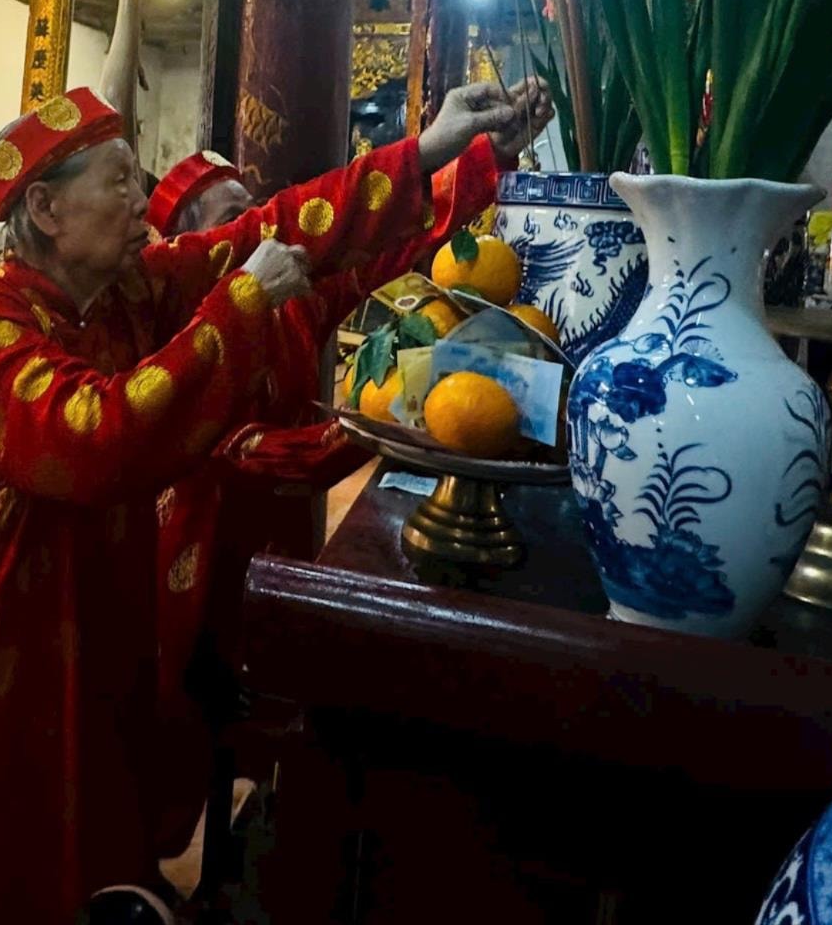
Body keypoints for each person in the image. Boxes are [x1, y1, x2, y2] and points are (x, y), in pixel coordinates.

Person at [0, 82, 530, 924]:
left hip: (93, 622)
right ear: (46, 210)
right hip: (0, 639)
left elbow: (269, 228)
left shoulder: (125, 289)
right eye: (119, 182)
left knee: (95, 837)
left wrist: (438, 152)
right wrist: (241, 306)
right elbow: (97, 439)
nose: (140, 201)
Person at [142, 82, 550, 856]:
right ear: (193, 247)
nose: (259, 232)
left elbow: (390, 244)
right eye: (232, 220)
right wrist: (367, 432)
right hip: (199, 546)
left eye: (255, 211)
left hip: (279, 535)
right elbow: (224, 450)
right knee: (183, 712)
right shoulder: (179, 317)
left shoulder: (294, 301)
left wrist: (484, 157)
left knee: (272, 700)